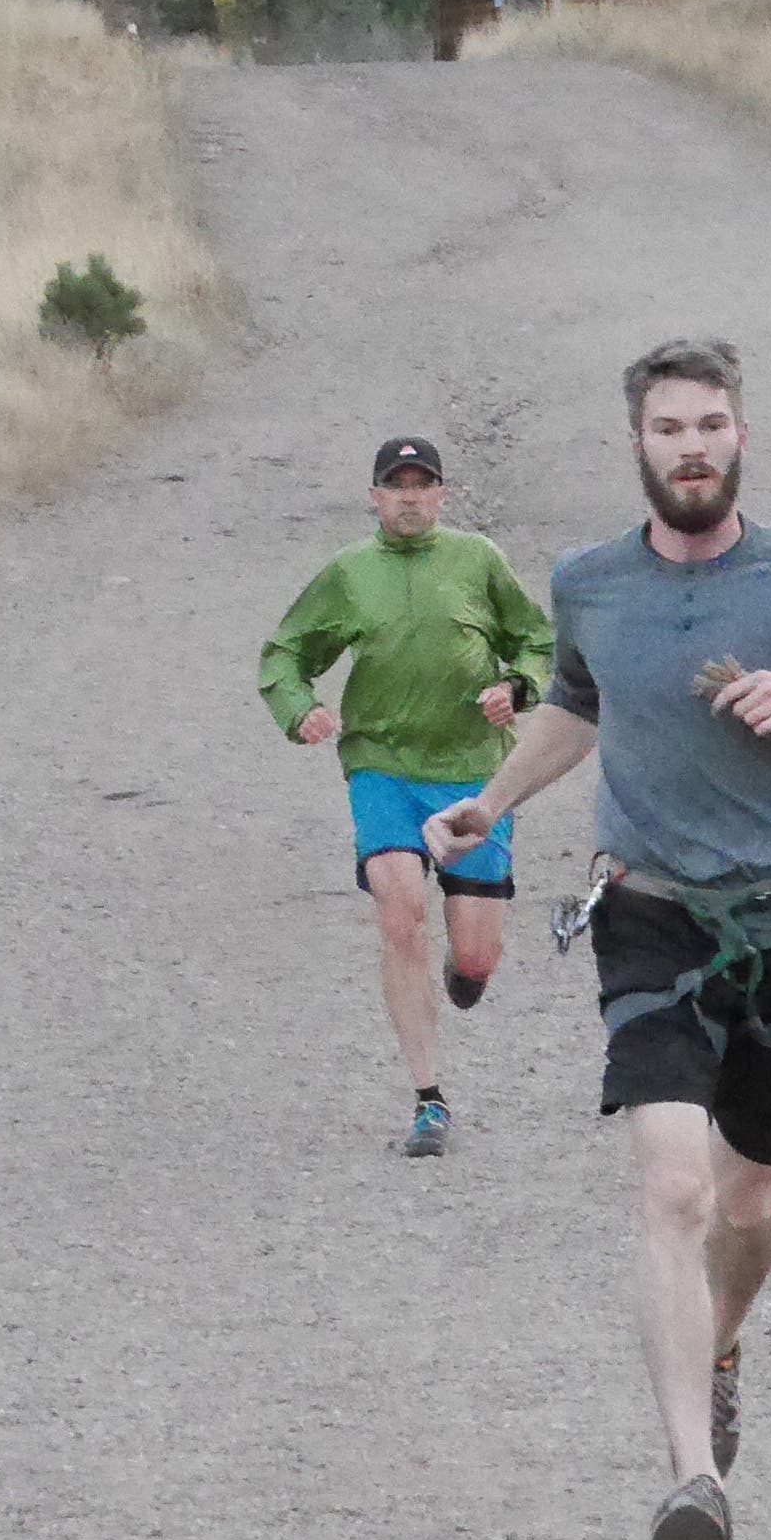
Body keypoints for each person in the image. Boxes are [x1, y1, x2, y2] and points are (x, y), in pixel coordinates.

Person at [424, 338, 771, 1540]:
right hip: (646, 913)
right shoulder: (590, 580)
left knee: (749, 1195)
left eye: (710, 424)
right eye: (668, 428)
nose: (691, 446)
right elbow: (579, 703)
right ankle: (689, 1479)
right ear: (638, 444)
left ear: (740, 436)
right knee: (671, 1189)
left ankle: (719, 1346)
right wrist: (491, 804)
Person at [260, 437, 553, 1158]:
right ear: (374, 496)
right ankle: (429, 1100)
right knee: (400, 910)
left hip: (474, 772)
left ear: (443, 496)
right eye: (396, 486)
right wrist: (299, 710)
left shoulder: (479, 561)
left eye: (423, 486)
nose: (409, 498)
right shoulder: (349, 575)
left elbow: (537, 641)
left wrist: (514, 689)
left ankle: (465, 971)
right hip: (382, 766)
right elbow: (285, 653)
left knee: (478, 955)